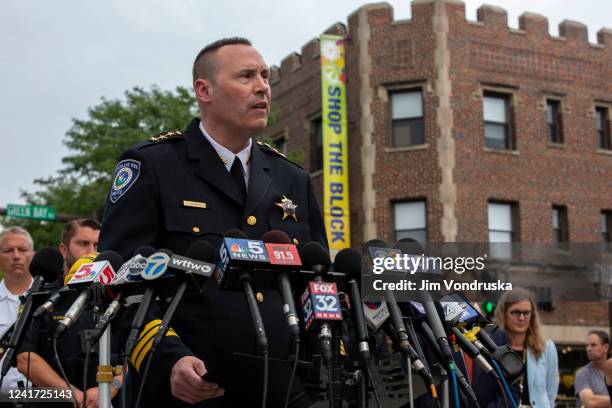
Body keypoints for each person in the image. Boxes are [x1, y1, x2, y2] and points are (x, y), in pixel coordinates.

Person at [98, 37, 327, 407]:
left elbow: (317, 282)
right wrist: (167, 359)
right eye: (246, 76)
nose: (262, 87)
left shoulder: (291, 178)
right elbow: (120, 279)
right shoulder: (153, 165)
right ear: (204, 90)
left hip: (284, 388)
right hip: (188, 390)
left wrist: (332, 356)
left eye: (265, 76)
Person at [17, 219, 124, 408]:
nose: (91, 251)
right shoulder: (40, 297)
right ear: (64, 249)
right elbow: (25, 357)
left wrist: (111, 387)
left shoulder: (119, 294)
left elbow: (136, 350)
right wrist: (73, 396)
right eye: (83, 244)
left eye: (97, 245)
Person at [494, 288, 559, 407]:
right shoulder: (494, 348)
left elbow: (551, 392)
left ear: (532, 315)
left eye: (526, 312)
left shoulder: (547, 348)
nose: (522, 318)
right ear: (504, 313)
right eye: (515, 312)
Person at [0, 227, 34, 393]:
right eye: (8, 250)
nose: (16, 256)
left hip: (43, 398)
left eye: (22, 249)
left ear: (33, 255)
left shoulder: (52, 299)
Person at [574, 330, 610, 407]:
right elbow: (590, 402)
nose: (589, 349)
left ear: (606, 347)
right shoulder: (583, 373)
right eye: (587, 345)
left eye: (593, 345)